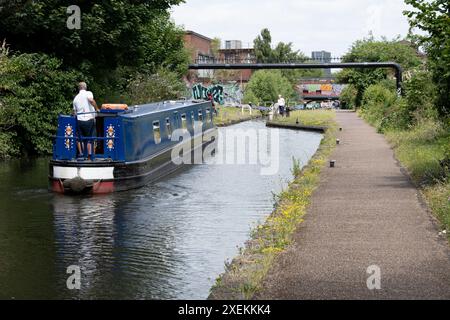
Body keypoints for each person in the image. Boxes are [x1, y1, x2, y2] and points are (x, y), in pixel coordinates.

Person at [73, 82, 99, 160]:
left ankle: (81, 154)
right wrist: (97, 108)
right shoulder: (88, 93)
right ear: (86, 87)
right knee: (90, 138)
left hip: (79, 120)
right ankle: (90, 155)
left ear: (79, 88)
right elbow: (91, 100)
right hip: (89, 119)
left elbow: (74, 112)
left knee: (80, 138)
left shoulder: (76, 98)